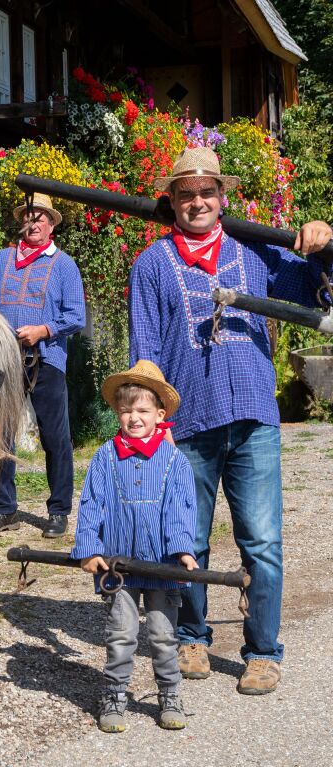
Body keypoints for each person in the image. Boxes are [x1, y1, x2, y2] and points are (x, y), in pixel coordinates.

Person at [129, 146, 333, 694]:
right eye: (186, 194)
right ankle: (192, 637)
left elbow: (317, 286)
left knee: (262, 541)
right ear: (171, 202)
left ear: (223, 198)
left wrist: (320, 241)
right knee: (186, 536)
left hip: (253, 415)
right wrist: (150, 424)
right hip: (186, 420)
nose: (197, 202)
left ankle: (263, 652)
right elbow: (145, 351)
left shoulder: (253, 253)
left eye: (207, 192)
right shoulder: (150, 264)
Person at [72, 360, 197, 733]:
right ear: (118, 413)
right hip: (118, 567)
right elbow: (92, 503)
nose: (134, 417)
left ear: (160, 415)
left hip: (162, 564)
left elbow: (180, 510)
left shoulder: (175, 461)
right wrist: (88, 548)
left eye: (142, 410)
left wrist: (182, 551)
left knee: (161, 635)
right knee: (121, 634)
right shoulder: (105, 457)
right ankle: (114, 695)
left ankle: (170, 694)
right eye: (126, 411)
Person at [0, 192, 85, 538]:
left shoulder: (65, 265)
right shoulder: (1, 260)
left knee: (55, 437)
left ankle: (58, 511)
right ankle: (4, 508)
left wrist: (43, 329)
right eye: (28, 215)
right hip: (4, 361)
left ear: (52, 223)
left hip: (47, 359)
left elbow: (76, 316)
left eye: (40, 216)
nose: (33, 221)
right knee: (2, 434)